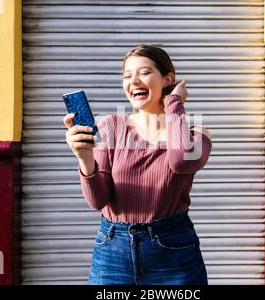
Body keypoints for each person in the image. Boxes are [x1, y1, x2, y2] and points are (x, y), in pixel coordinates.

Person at [63, 44, 212, 285]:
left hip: (173, 249)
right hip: (113, 249)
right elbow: (98, 200)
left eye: (143, 72)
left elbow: (180, 160)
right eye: (127, 76)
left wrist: (174, 103)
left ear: (167, 79)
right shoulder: (111, 127)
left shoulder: (196, 133)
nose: (134, 81)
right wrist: (85, 157)